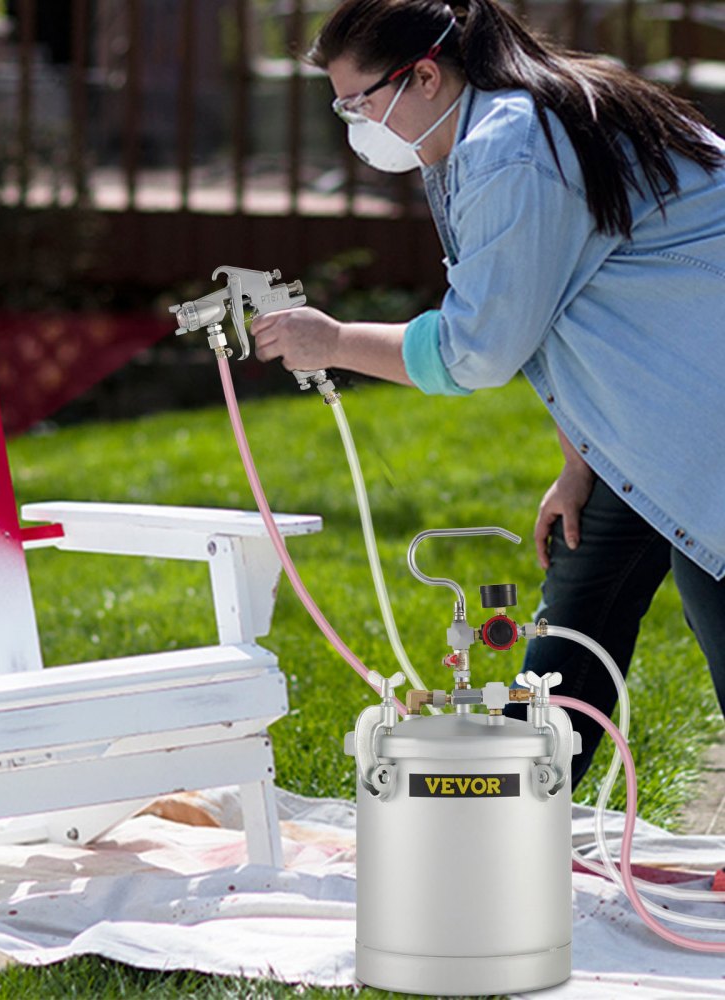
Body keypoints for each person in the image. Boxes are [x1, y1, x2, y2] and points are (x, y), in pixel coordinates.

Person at [249, 0, 725, 787]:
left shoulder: (510, 148)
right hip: (661, 399)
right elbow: (563, 307)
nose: (352, 124)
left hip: (699, 407)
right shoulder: (493, 132)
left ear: (425, 76)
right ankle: (515, 818)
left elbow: (480, 350)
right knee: (580, 597)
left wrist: (332, 343)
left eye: (356, 102)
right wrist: (581, 459)